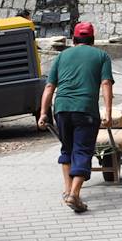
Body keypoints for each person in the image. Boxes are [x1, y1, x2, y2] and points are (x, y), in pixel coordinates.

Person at [37, 21, 113, 214]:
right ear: (93, 39)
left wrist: (43, 113)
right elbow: (106, 84)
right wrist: (108, 113)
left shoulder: (62, 56)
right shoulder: (101, 56)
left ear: (74, 39)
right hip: (86, 110)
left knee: (67, 149)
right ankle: (74, 195)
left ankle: (67, 190)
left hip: (61, 109)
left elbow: (49, 87)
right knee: (82, 151)